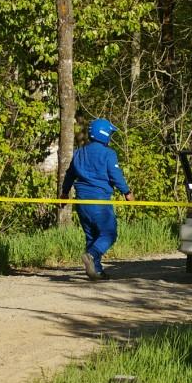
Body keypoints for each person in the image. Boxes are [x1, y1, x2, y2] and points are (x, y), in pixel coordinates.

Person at [60, 118, 134, 281]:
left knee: (92, 236)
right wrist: (127, 192)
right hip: (99, 201)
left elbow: (70, 174)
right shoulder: (108, 153)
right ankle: (92, 256)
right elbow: (115, 176)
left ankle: (96, 271)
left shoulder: (79, 152)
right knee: (109, 233)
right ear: (105, 134)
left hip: (81, 203)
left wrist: (64, 193)